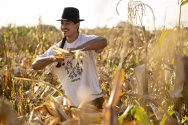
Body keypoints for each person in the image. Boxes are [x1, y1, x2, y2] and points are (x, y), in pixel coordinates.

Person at [32, 7, 107, 109]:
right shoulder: (57, 48)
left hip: (94, 101)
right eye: (62, 23)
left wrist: (76, 50)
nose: (63, 27)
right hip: (71, 105)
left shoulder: (86, 40)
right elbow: (35, 65)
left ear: (77, 25)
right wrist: (53, 58)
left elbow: (103, 41)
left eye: (67, 23)